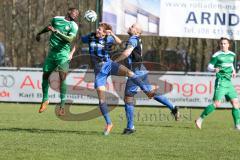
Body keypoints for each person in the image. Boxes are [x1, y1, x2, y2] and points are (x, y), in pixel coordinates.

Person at [80, 22, 156, 135]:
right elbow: (81, 39)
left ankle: (147, 90)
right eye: (97, 29)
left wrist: (112, 33)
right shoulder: (91, 37)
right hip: (99, 71)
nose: (97, 30)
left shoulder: (109, 38)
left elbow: (119, 42)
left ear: (105, 32)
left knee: (130, 73)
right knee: (101, 99)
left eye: (100, 29)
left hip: (109, 65)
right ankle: (109, 123)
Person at [114, 23, 180, 135]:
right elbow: (125, 49)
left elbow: (127, 52)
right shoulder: (135, 39)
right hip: (141, 71)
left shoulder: (133, 39)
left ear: (137, 32)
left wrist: (114, 62)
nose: (130, 27)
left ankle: (130, 127)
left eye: (133, 26)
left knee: (128, 97)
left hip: (135, 73)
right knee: (150, 93)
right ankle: (173, 107)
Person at [36, 8, 79, 116]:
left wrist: (57, 32)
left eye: (78, 14)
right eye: (75, 12)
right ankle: (45, 99)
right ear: (69, 12)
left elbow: (69, 39)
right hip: (52, 54)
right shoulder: (56, 19)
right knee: (45, 75)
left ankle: (62, 106)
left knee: (62, 78)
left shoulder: (74, 26)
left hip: (63, 55)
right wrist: (39, 33)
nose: (76, 15)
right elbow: (49, 27)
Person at [195, 37, 240, 130]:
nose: (223, 45)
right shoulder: (217, 55)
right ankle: (200, 119)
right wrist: (214, 69)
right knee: (217, 104)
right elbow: (209, 67)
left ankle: (237, 126)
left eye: (224, 43)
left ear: (228, 45)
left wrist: (234, 71)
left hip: (228, 82)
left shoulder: (232, 54)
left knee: (236, 103)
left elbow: (231, 63)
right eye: (221, 44)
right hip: (221, 81)